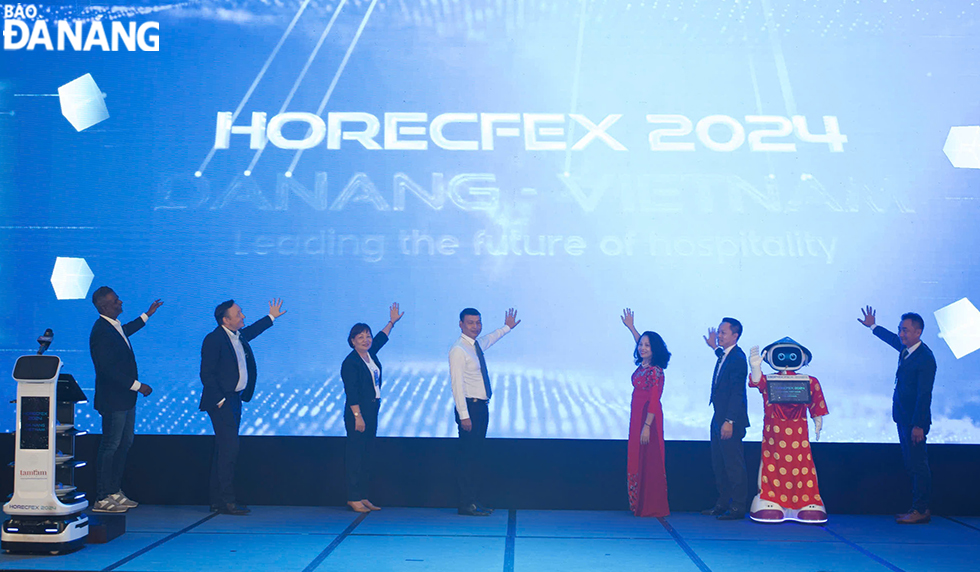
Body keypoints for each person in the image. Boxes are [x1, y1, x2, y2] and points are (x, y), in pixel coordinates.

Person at [199, 298, 286, 515]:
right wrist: (220, 400)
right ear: (225, 320)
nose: (243, 316)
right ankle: (227, 500)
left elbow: (254, 330)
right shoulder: (214, 339)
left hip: (235, 399)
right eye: (239, 314)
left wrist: (271, 317)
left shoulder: (238, 336)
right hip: (223, 402)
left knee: (223, 449)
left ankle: (217, 499)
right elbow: (206, 373)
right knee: (229, 450)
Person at [88, 287, 163, 513]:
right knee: (110, 446)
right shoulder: (101, 331)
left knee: (124, 444)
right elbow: (107, 369)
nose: (120, 302)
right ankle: (102, 497)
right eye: (115, 301)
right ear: (103, 307)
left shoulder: (113, 326)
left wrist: (147, 315)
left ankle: (114, 491)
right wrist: (139, 386)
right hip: (113, 400)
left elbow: (126, 331)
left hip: (125, 399)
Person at [859, 306, 936, 524]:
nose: (901, 334)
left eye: (905, 330)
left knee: (918, 464)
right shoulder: (907, 349)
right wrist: (873, 326)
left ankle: (921, 509)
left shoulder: (925, 358)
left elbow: (924, 394)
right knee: (912, 463)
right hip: (903, 417)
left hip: (915, 422)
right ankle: (917, 508)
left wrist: (919, 424)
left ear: (918, 332)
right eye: (900, 329)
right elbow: (892, 340)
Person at [449, 307, 520, 516]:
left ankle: (473, 500)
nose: (475, 326)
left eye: (478, 322)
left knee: (476, 457)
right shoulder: (458, 350)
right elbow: (457, 385)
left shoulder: (475, 346)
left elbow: (490, 338)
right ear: (461, 324)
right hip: (469, 409)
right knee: (467, 458)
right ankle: (465, 503)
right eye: (470, 323)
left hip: (481, 407)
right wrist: (464, 415)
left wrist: (507, 327)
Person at [341, 303, 404, 513]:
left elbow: (380, 338)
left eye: (367, 336)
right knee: (356, 455)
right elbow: (352, 392)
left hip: (372, 410)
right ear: (352, 342)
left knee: (367, 454)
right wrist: (358, 416)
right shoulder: (350, 363)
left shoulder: (370, 355)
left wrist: (392, 322)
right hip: (357, 413)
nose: (366, 340)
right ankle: (353, 497)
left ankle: (363, 495)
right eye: (361, 337)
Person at [620, 309, 670, 517]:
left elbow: (654, 401)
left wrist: (647, 426)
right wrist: (632, 328)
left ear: (655, 349)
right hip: (636, 417)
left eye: (647, 345)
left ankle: (651, 505)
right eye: (641, 344)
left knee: (649, 459)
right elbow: (640, 342)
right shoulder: (643, 365)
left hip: (648, 419)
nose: (642, 347)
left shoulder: (656, 371)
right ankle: (638, 503)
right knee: (636, 458)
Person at [701, 317, 750, 520]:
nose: (719, 335)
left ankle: (738, 507)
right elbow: (720, 356)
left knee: (733, 464)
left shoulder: (738, 358)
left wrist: (729, 421)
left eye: (723, 333)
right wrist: (714, 347)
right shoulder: (726, 355)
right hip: (718, 416)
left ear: (735, 336)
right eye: (719, 332)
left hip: (730, 420)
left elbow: (737, 392)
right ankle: (722, 503)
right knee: (719, 463)